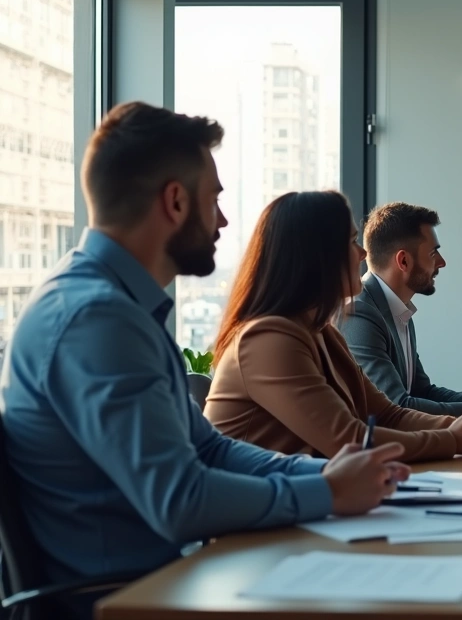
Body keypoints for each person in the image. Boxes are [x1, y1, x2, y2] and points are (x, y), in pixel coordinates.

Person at [0, 102, 407, 618]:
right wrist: (326, 492)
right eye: (213, 198)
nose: (223, 219)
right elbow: (180, 501)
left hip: (167, 581)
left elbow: (207, 450)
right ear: (174, 201)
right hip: (129, 600)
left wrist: (325, 475)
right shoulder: (96, 319)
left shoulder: (115, 306)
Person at [205, 191, 462, 462]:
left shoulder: (322, 332)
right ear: (315, 257)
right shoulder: (268, 339)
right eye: (352, 242)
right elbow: (349, 439)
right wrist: (454, 439)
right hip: (254, 523)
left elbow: (387, 415)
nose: (363, 254)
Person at [338, 202, 462, 417]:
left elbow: (421, 392)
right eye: (434, 253)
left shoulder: (399, 311)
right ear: (404, 260)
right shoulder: (360, 313)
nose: (442, 263)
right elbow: (397, 404)